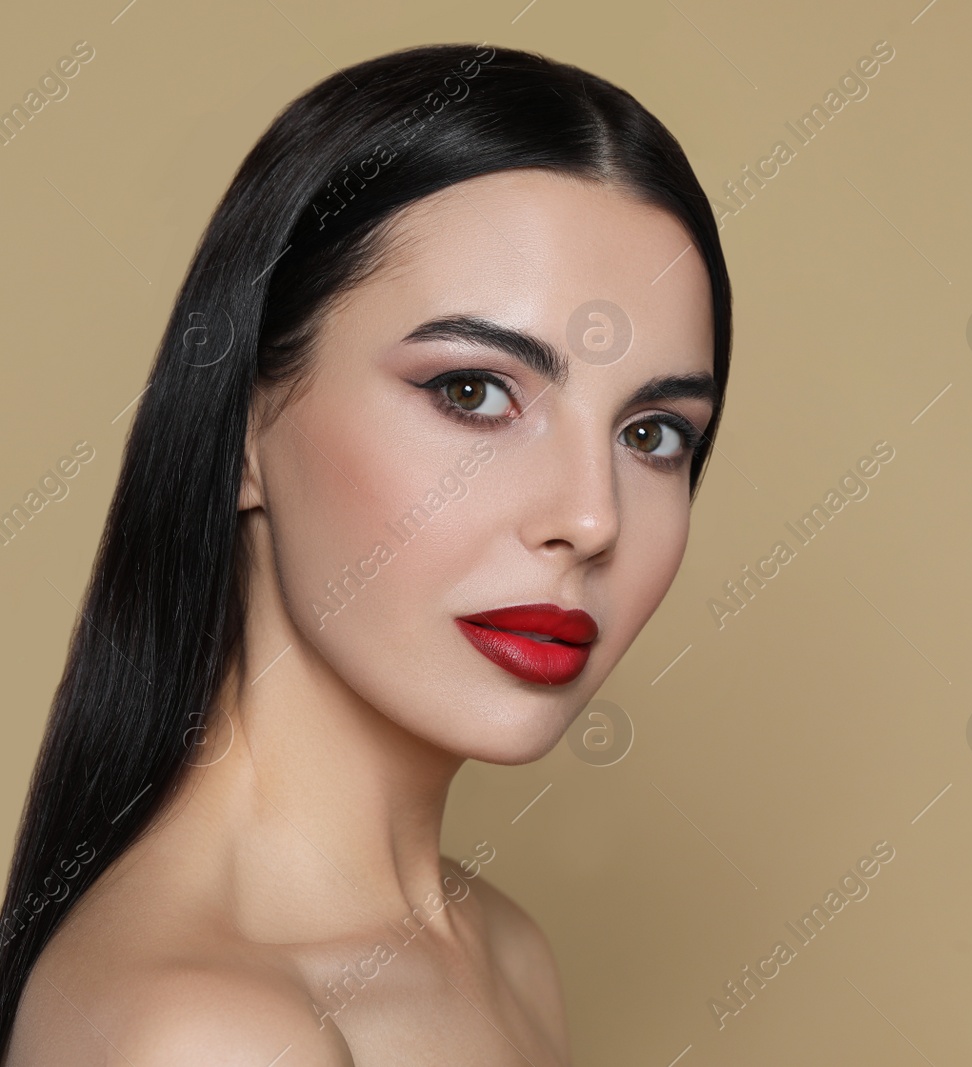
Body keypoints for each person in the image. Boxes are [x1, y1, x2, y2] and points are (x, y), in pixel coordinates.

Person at [0, 41, 732, 1064]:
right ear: (243, 434)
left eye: (652, 432)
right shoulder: (202, 1032)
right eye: (473, 390)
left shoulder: (506, 953)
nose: (591, 516)